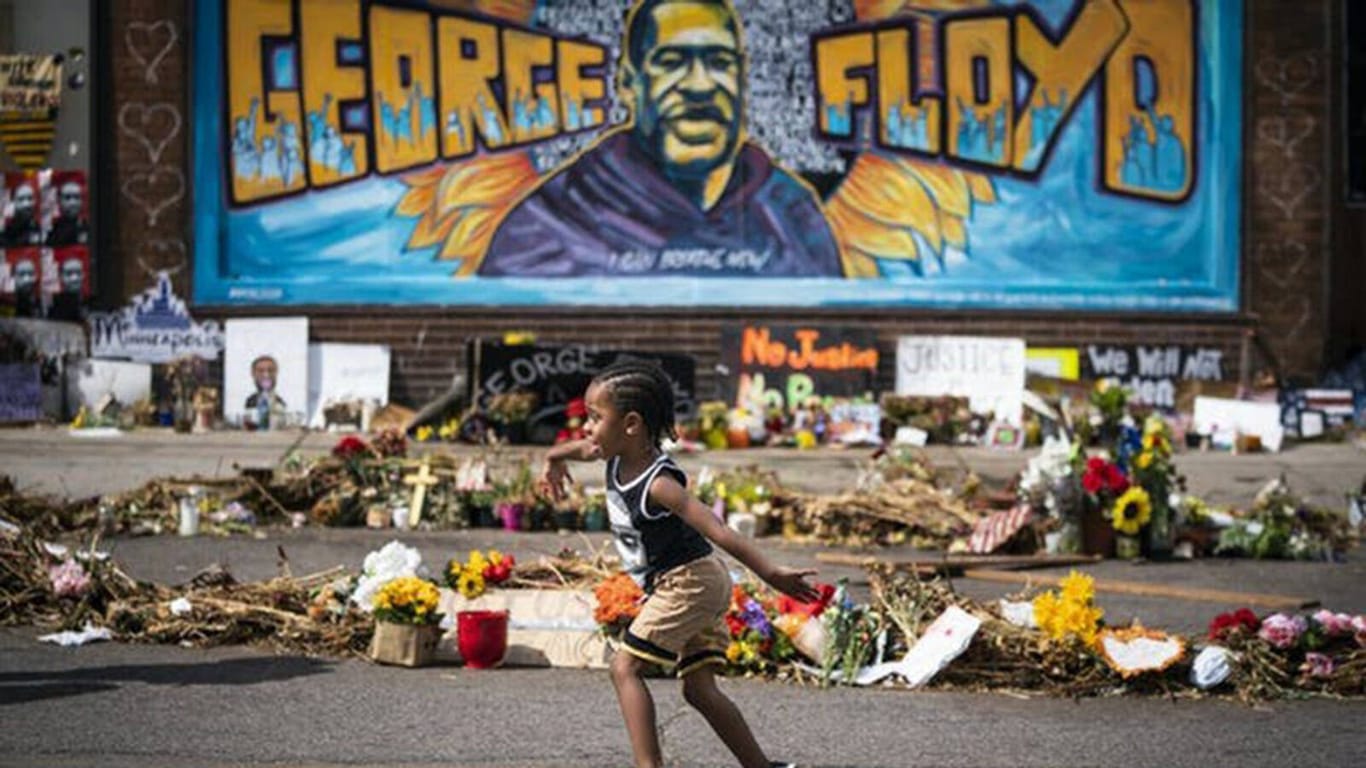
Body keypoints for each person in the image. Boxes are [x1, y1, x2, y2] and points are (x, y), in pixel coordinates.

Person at [541, 360, 814, 768]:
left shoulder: (660, 483)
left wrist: (772, 574)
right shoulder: (612, 454)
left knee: (624, 668)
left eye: (594, 418)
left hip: (690, 582)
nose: (586, 427)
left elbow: (719, 530)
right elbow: (582, 449)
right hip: (691, 581)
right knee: (699, 690)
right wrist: (553, 456)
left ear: (631, 424)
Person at [480, 0, 842, 278]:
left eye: (719, 61)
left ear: (743, 79)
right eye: (671, 62)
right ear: (627, 83)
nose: (700, 86)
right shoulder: (550, 223)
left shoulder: (792, 214)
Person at [244, 355, 287, 426]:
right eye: (261, 371)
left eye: (270, 371)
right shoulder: (250, 401)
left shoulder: (281, 402)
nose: (266, 375)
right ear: (253, 373)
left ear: (276, 373)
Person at [46, 179, 89, 246]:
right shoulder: (53, 230)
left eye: (77, 197)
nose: (72, 203)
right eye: (67, 198)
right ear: (59, 201)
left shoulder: (89, 227)